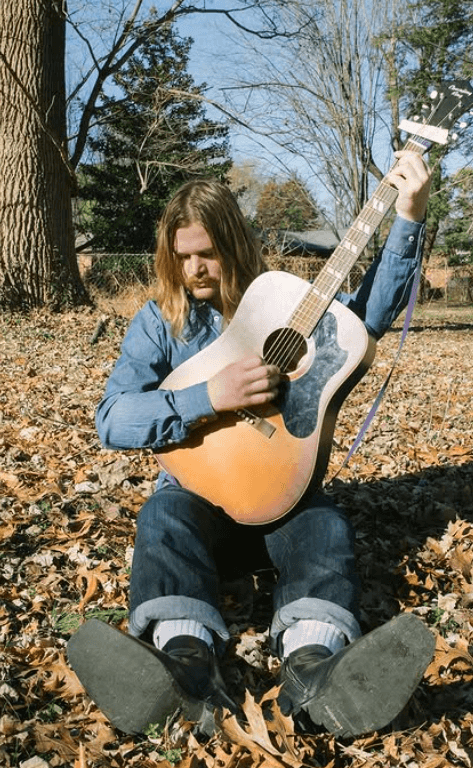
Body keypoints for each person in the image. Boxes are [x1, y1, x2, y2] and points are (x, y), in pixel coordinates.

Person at [68, 155, 436, 739]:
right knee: (162, 517)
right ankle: (186, 668)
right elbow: (112, 419)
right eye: (182, 256)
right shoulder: (160, 322)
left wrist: (409, 215)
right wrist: (208, 396)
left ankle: (314, 669)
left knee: (326, 527)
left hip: (285, 498)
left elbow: (362, 319)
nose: (194, 268)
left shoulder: (280, 306)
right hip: (198, 499)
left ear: (234, 245)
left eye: (207, 253)